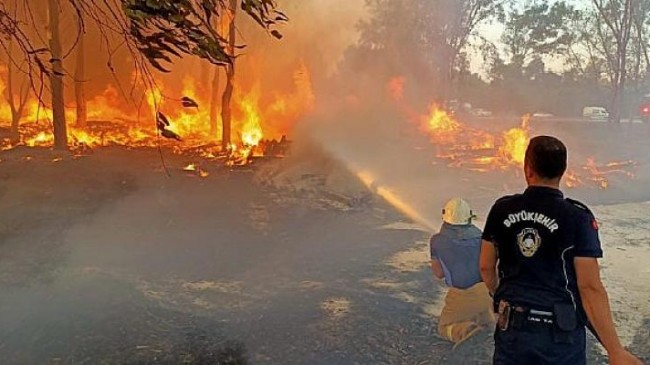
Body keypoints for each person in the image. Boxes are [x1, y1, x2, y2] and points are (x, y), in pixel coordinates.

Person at [479, 136, 642, 365]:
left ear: (527, 169)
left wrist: (500, 295)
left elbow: (486, 267)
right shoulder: (577, 217)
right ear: (563, 170)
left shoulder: (502, 209)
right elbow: (590, 288)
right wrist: (615, 350)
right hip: (559, 337)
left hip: (513, 332)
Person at [430, 197, 495, 348]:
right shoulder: (482, 238)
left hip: (461, 293)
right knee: (485, 320)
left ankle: (467, 331)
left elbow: (438, 273)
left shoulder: (437, 241)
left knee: (444, 327)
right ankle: (486, 326)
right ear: (469, 217)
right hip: (487, 293)